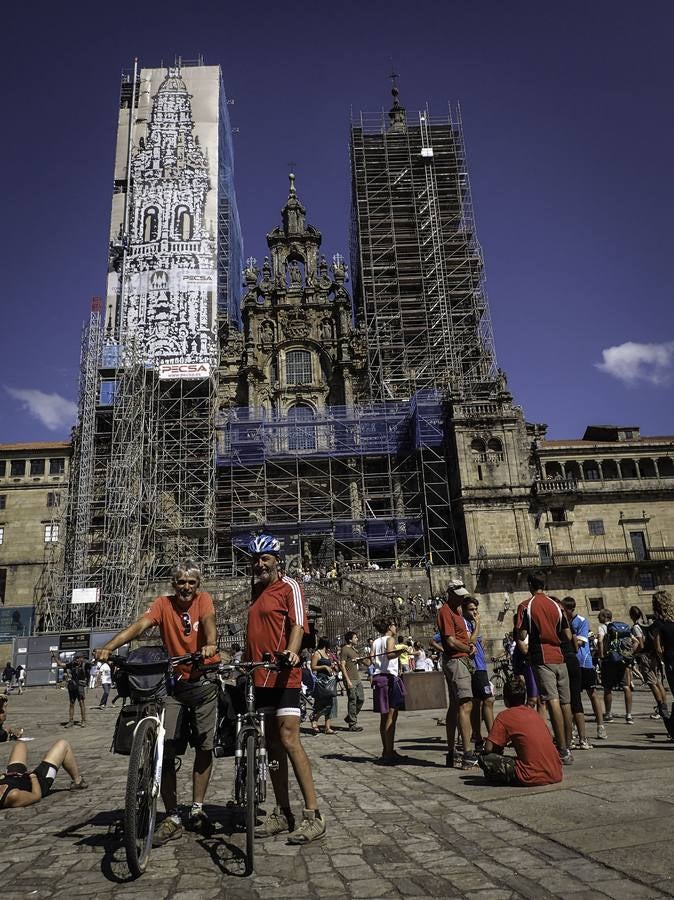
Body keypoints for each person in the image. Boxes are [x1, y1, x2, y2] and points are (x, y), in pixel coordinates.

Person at [97, 559, 219, 844]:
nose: (186, 587)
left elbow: (210, 624)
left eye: (191, 582)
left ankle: (198, 808)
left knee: (205, 745)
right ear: (173, 585)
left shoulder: (204, 600)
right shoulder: (163, 605)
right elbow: (139, 626)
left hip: (202, 679)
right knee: (166, 748)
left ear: (197, 585)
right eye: (181, 582)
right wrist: (109, 646)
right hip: (175, 683)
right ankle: (174, 814)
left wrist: (210, 644)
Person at [246, 535, 326, 845]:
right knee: (272, 746)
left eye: (265, 557)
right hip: (258, 676)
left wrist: (292, 651)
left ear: (277, 560)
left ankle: (313, 815)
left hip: (283, 674)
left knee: (290, 739)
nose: (259, 563)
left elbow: (298, 624)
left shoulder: (289, 586)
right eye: (255, 558)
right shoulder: (256, 590)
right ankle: (282, 812)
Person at [516, 570, 573, 764]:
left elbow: (522, 634)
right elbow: (567, 636)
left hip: (541, 658)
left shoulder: (527, 606)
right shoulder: (557, 605)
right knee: (566, 702)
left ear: (530, 585)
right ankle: (569, 743)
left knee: (552, 700)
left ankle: (562, 749)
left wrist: (524, 640)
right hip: (560, 657)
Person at [478, 676, 563, 787]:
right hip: (556, 772)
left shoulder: (504, 716)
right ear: (524, 698)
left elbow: (489, 748)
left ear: (506, 700)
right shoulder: (534, 713)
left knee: (485, 759)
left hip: (531, 775)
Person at [437, 579, 477, 770]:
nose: (462, 598)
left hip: (459, 658)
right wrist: (468, 648)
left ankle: (453, 752)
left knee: (455, 706)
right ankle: (467, 754)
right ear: (451, 593)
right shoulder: (446, 611)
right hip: (456, 659)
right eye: (459, 595)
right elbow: (451, 641)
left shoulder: (456, 610)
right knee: (465, 704)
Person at [562, 597, 606, 740]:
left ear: (569, 610)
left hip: (584, 662)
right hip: (572, 663)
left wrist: (569, 638)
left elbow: (580, 641)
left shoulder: (581, 621)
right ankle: (574, 727)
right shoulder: (564, 622)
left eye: (563, 610)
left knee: (592, 693)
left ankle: (600, 726)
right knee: (574, 696)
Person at [0, 738, 87, 808]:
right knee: (63, 744)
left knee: (20, 745)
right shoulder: (13, 796)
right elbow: (36, 796)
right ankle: (78, 781)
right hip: (37, 781)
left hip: (13, 775)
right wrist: (33, 777)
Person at [370, 617, 406, 765]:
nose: (396, 628)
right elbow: (390, 654)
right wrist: (401, 650)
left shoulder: (375, 642)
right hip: (389, 679)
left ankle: (387, 750)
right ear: (390, 627)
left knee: (384, 718)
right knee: (392, 717)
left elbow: (371, 659)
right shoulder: (390, 639)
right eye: (395, 625)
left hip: (378, 678)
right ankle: (389, 752)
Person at [463, 597, 495, 750]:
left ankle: (478, 736)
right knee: (488, 700)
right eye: (471, 609)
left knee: (479, 702)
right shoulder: (465, 623)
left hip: (481, 666)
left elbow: (477, 640)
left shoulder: (471, 623)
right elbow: (471, 640)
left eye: (476, 609)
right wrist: (478, 624)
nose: (475, 612)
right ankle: (493, 737)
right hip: (475, 667)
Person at [630, 604, 668, 720]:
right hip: (654, 655)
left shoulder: (636, 627)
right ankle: (664, 706)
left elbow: (641, 644)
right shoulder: (648, 623)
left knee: (652, 683)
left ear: (632, 616)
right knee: (658, 682)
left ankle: (661, 708)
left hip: (645, 656)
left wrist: (633, 652)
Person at [597, 609, 634, 723]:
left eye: (599, 617)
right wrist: (629, 653)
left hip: (610, 661)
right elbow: (636, 641)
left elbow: (600, 641)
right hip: (623, 660)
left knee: (608, 688)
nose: (598, 619)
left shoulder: (602, 627)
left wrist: (601, 655)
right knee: (626, 687)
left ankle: (608, 714)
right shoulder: (621, 627)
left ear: (604, 617)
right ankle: (628, 715)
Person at [309, 638, 338, 734]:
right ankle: (315, 719)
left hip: (329, 680)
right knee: (321, 703)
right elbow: (313, 667)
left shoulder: (327, 654)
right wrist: (324, 666)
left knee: (331, 703)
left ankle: (327, 727)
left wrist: (332, 667)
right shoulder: (317, 654)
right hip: (321, 681)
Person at [51, 653, 88, 727]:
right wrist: (55, 658)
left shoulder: (85, 665)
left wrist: (97, 657)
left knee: (81, 703)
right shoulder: (72, 664)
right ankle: (71, 721)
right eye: (76, 658)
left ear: (82, 658)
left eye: (79, 658)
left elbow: (94, 664)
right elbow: (61, 664)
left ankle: (83, 720)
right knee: (71, 703)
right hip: (72, 686)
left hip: (80, 686)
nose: (77, 659)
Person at [340, 630, 365, 732]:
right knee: (353, 701)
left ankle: (350, 717)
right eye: (355, 637)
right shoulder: (345, 649)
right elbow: (342, 665)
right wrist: (348, 680)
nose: (357, 639)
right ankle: (352, 724)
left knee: (361, 699)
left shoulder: (354, 650)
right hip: (350, 679)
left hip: (357, 678)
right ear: (350, 639)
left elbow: (362, 663)